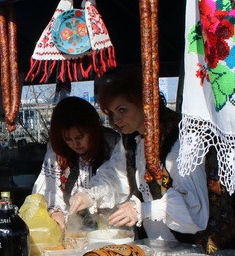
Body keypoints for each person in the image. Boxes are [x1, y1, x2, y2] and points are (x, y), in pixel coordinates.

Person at [68, 68, 209, 240]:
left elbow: (194, 208)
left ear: (145, 103)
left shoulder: (180, 138)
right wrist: (91, 195)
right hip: (156, 244)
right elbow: (116, 176)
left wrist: (144, 209)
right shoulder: (132, 140)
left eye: (122, 110)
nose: (116, 120)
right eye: (112, 113)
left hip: (192, 247)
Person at [32, 96, 120, 231]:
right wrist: (55, 211)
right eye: (68, 139)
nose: (75, 144)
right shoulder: (57, 151)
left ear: (92, 130)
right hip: (74, 228)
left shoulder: (112, 143)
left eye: (80, 137)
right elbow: (49, 187)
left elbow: (118, 183)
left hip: (111, 226)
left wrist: (93, 196)